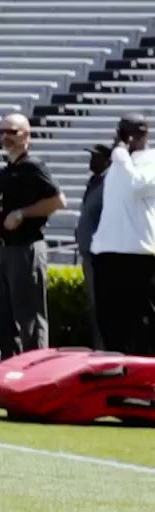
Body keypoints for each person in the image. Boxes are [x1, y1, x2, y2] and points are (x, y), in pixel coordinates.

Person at [0, 114, 66, 361]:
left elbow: (58, 201)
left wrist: (23, 213)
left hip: (26, 246)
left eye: (11, 131)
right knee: (2, 312)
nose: (5, 137)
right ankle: (10, 365)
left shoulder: (33, 166)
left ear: (26, 135)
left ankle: (36, 367)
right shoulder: (6, 171)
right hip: (5, 248)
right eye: (1, 132)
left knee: (30, 314)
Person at [89, 114, 155, 356]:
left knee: (143, 326)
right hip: (108, 252)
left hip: (139, 255)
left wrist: (120, 156)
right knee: (110, 325)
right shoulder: (119, 163)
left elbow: (137, 185)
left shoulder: (148, 161)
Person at [75, 144, 111, 349]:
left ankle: (104, 349)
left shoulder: (108, 183)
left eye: (95, 157)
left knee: (101, 306)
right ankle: (99, 348)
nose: (91, 161)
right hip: (88, 252)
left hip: (100, 254)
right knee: (94, 306)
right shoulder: (94, 181)